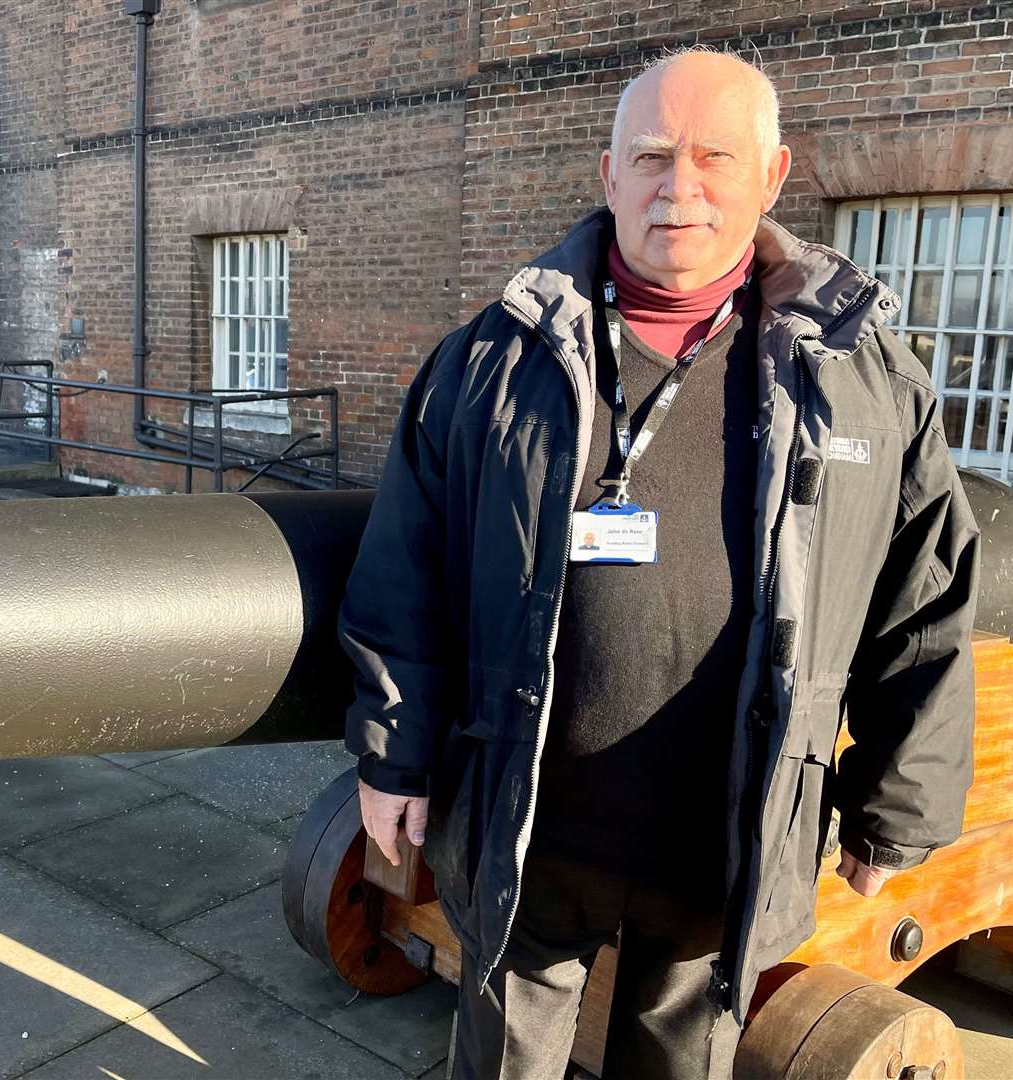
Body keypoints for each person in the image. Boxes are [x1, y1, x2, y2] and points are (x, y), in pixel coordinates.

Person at [337, 47, 979, 1080]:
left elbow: (926, 596)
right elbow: (402, 569)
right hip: (524, 826)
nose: (679, 186)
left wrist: (896, 803)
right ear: (608, 177)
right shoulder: (493, 360)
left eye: (713, 155)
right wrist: (391, 755)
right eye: (650, 156)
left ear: (771, 176)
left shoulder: (864, 380)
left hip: (721, 845)